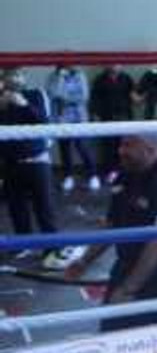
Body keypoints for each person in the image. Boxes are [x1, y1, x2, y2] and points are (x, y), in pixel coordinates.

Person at [66, 133, 157, 331]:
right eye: (121, 144)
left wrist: (129, 289)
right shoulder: (124, 176)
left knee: (150, 342)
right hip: (124, 268)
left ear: (151, 149)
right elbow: (111, 224)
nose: (121, 150)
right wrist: (84, 260)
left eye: (129, 145)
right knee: (111, 334)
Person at [0, 68, 77, 270]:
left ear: (24, 76)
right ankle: (23, 244)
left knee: (44, 208)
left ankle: (52, 249)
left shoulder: (35, 94)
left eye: (17, 74)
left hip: (36, 160)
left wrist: (23, 104)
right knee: (16, 208)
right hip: (10, 162)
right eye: (9, 74)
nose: (13, 78)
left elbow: (44, 121)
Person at [45, 64, 99, 193]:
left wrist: (65, 99)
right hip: (62, 118)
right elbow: (52, 94)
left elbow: (84, 96)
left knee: (83, 147)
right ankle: (68, 177)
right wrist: (60, 77)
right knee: (65, 149)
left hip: (79, 118)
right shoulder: (53, 76)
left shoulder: (80, 75)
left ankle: (93, 176)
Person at [90, 64, 136, 185]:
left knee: (125, 145)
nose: (114, 66)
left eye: (118, 64)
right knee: (109, 146)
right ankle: (111, 172)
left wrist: (145, 95)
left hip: (124, 116)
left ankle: (125, 172)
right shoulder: (100, 80)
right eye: (112, 63)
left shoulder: (126, 78)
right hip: (107, 117)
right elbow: (94, 99)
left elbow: (134, 97)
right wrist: (95, 115)